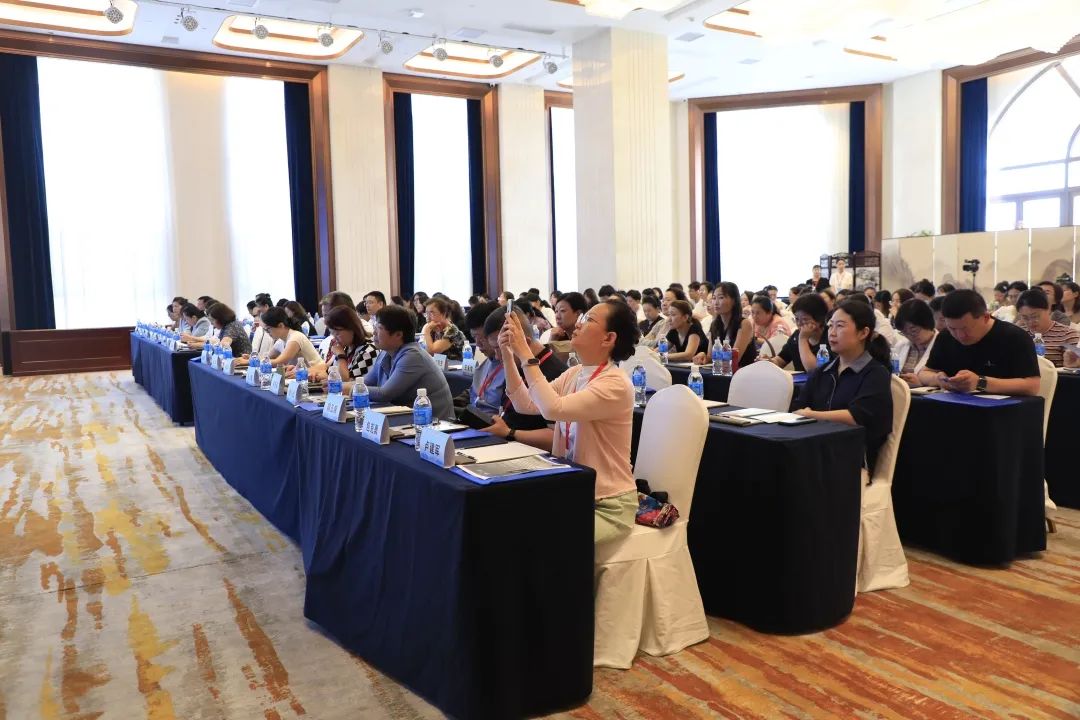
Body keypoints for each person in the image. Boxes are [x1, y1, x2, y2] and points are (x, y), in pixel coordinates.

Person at [500, 299, 640, 544]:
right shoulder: (576, 373)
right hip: (572, 490)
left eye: (588, 320)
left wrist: (525, 353)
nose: (578, 324)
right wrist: (508, 355)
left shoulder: (615, 384)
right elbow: (526, 404)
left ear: (608, 338)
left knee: (543, 540)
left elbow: (552, 409)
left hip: (607, 503)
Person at [795, 300, 893, 471]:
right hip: (816, 448)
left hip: (851, 460)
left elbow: (857, 417)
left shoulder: (876, 374)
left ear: (863, 333)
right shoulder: (823, 371)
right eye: (830, 326)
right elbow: (798, 406)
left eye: (840, 326)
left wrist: (811, 414)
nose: (832, 333)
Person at [917, 290, 1040, 395]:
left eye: (966, 329)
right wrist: (938, 379)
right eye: (952, 328)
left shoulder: (1014, 337)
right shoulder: (945, 337)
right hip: (955, 405)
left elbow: (1033, 386)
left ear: (985, 317)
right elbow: (924, 373)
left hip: (1002, 409)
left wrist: (980, 382)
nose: (960, 336)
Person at [366, 305, 455, 420]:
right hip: (406, 418)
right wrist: (351, 387)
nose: (374, 333)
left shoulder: (413, 356)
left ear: (398, 334)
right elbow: (365, 383)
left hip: (432, 423)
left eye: (379, 328)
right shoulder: (385, 353)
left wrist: (351, 389)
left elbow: (385, 394)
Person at [309, 305, 379, 386]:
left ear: (352, 328)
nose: (335, 338)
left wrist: (340, 356)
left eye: (337, 333)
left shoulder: (369, 351)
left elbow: (346, 382)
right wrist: (318, 376)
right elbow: (331, 373)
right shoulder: (347, 348)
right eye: (332, 333)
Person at [762, 292, 828, 371]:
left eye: (805, 319)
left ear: (819, 319)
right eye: (797, 319)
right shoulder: (796, 336)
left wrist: (802, 339)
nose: (799, 323)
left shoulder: (830, 337)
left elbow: (814, 371)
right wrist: (769, 362)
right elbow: (780, 360)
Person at [1014, 289, 1080, 369]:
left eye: (1035, 316)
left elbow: (1075, 366)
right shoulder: (1019, 334)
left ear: (1048, 309)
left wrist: (1074, 364)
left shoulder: (1067, 334)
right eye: (1025, 318)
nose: (1030, 322)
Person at [696, 281, 754, 366]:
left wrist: (714, 358)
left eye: (721, 297)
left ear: (734, 301)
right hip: (722, 371)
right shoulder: (714, 324)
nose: (716, 302)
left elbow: (734, 359)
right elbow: (711, 356)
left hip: (743, 372)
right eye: (714, 298)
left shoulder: (744, 324)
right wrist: (703, 356)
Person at [892, 299, 939, 387]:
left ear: (927, 323)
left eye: (914, 331)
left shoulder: (943, 346)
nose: (910, 336)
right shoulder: (901, 346)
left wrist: (922, 383)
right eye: (904, 332)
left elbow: (946, 380)